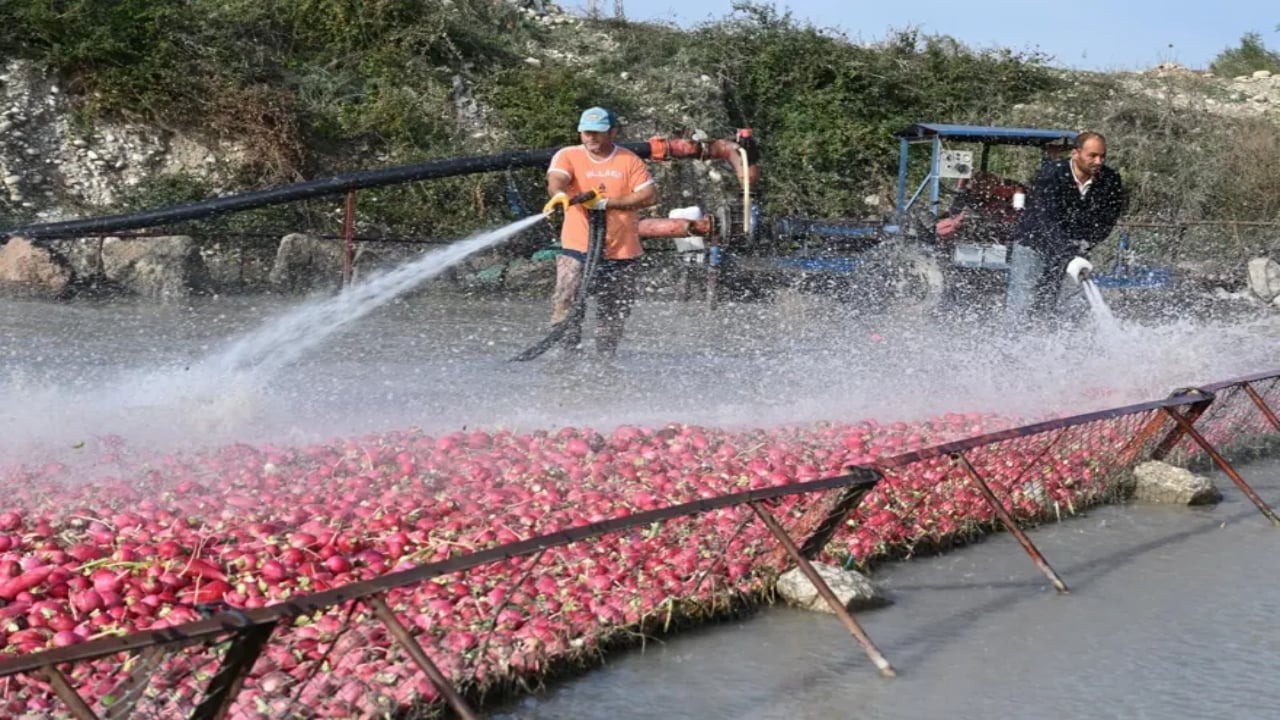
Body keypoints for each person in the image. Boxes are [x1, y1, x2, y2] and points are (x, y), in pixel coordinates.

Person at [541, 106, 658, 357]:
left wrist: (608, 203)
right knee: (566, 302)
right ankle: (567, 359)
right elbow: (557, 179)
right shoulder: (568, 155)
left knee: (613, 313)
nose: (591, 138)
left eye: (597, 133)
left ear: (612, 132)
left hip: (622, 252)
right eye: (586, 133)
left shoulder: (629, 160)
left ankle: (606, 366)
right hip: (576, 248)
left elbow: (648, 196)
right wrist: (560, 194)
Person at [1006, 131, 1127, 324]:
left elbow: (1107, 218)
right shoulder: (1049, 175)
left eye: (1102, 156)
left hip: (1074, 246)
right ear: (1075, 153)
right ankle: (1014, 345)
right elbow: (1046, 219)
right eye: (1092, 156)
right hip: (1034, 243)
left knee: (1074, 303)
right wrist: (1066, 252)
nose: (1098, 161)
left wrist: (1086, 244)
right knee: (1024, 302)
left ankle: (1067, 347)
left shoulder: (1110, 180)